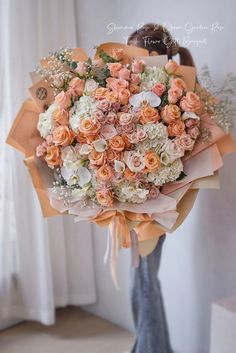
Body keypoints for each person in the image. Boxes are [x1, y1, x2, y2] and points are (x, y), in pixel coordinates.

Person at [126, 23, 196, 353]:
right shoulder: (133, 91)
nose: (127, 61)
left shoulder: (173, 97)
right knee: (143, 283)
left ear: (153, 57)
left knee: (142, 285)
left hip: (154, 203)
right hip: (131, 200)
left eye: (133, 55)